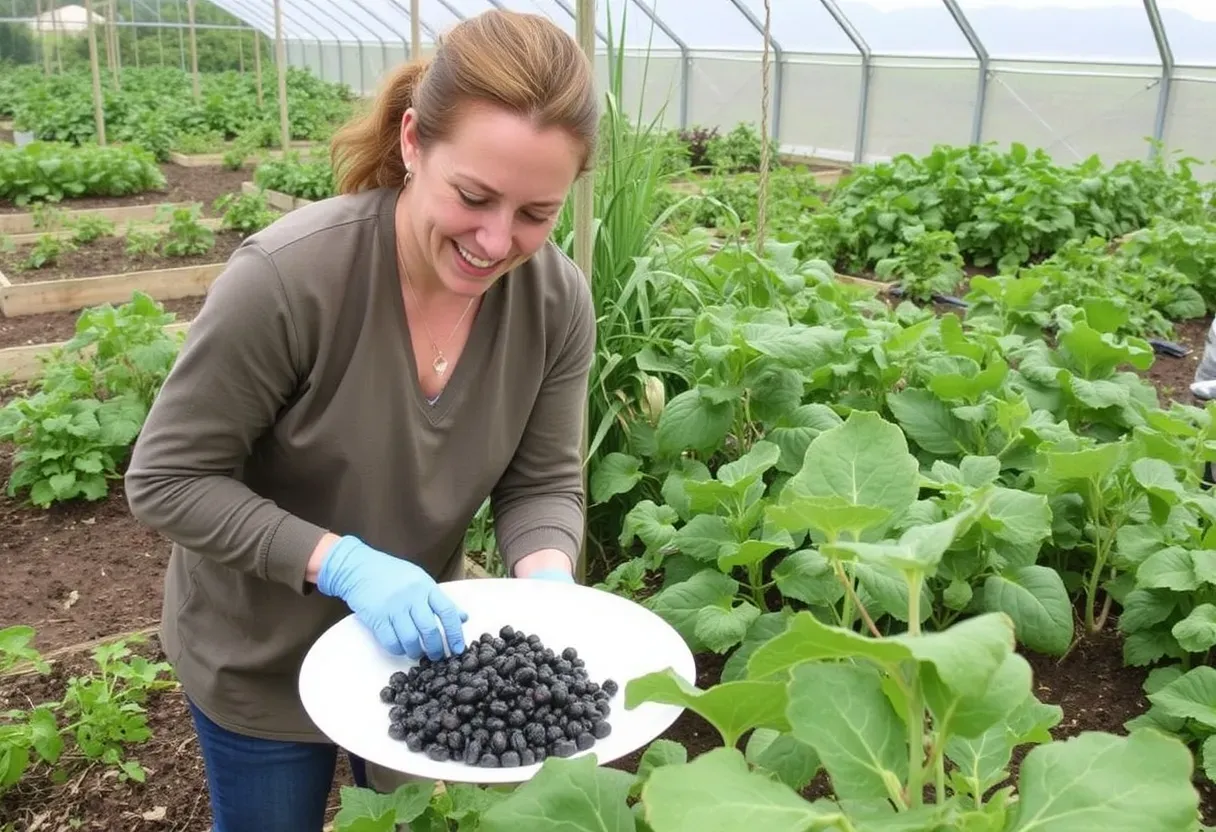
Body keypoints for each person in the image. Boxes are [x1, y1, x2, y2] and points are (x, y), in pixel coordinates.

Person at [123, 9, 599, 831]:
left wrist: (546, 574)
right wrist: (341, 562)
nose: (495, 240)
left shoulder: (554, 301)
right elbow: (167, 480)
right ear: (413, 143)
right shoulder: (289, 281)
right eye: (474, 196)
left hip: (418, 649)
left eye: (535, 213)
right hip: (258, 656)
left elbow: (545, 480)